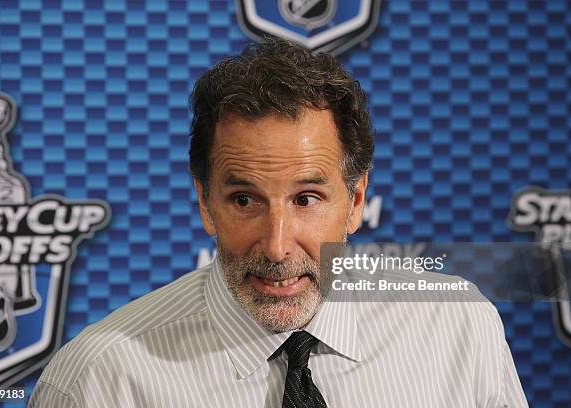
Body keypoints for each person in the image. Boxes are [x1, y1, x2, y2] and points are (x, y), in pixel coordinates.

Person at [29, 38, 528, 407]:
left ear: (355, 202)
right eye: (245, 199)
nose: (276, 246)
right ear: (205, 202)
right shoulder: (98, 379)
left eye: (307, 198)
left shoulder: (458, 326)